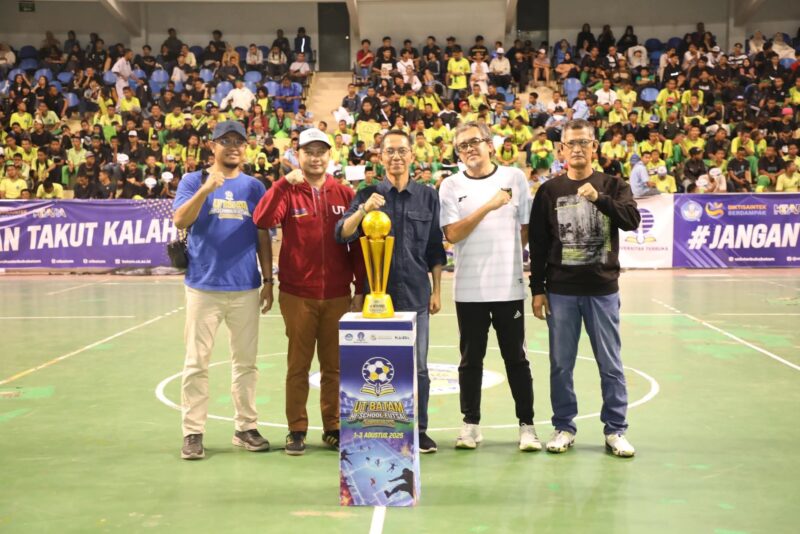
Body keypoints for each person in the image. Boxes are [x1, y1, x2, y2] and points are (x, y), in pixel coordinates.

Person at [529, 119, 641, 458]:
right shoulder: (549, 191)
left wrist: (601, 199)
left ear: (594, 148)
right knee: (561, 363)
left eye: (584, 143)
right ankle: (564, 426)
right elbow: (538, 242)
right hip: (561, 291)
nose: (577, 149)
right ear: (561, 149)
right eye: (571, 143)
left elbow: (632, 220)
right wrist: (537, 289)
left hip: (603, 290)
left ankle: (616, 430)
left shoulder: (613, 184)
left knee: (610, 363)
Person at [253, 129, 366, 455]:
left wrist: (359, 289)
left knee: (334, 367)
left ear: (330, 156)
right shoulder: (288, 192)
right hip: (297, 294)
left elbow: (356, 246)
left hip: (336, 296)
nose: (315, 158)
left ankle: (332, 427)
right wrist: (281, 184)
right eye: (309, 152)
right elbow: (262, 219)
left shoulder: (344, 194)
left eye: (321, 152)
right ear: (297, 155)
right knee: (298, 365)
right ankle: (297, 428)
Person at [336, 130, 446, 454]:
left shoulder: (428, 196)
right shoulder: (366, 193)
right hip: (375, 299)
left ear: (412, 155)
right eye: (389, 152)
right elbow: (341, 234)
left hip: (416, 295)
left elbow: (435, 249)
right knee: (376, 365)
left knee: (419, 368)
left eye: (402, 151)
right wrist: (363, 210)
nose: (396, 157)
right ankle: (378, 430)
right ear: (380, 157)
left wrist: (437, 289)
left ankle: (419, 429)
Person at [172, 121, 273, 460]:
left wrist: (269, 280)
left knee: (246, 363)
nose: (233, 146)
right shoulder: (193, 180)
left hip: (245, 287)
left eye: (239, 141)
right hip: (203, 287)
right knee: (196, 362)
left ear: (246, 147)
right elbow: (180, 221)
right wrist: (205, 190)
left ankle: (245, 427)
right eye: (225, 141)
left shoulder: (254, 187)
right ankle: (193, 432)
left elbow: (262, 235)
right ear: (212, 145)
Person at [438, 121, 539, 451]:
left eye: (475, 142)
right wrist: (488, 207)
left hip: (508, 288)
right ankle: (470, 425)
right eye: (462, 145)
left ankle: (527, 426)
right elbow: (452, 234)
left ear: (491, 145)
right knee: (470, 360)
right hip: (469, 290)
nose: (469, 149)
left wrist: (506, 254)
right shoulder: (451, 186)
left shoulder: (514, 179)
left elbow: (525, 229)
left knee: (517, 359)